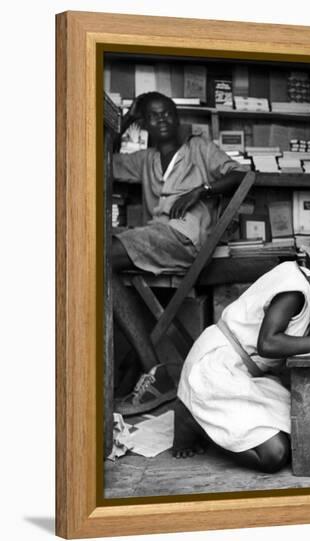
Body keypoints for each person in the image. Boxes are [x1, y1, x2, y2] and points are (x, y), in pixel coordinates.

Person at [173, 256, 310, 473]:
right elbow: (267, 343)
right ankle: (194, 421)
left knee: (304, 432)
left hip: (244, 375)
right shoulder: (295, 291)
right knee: (274, 455)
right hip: (215, 370)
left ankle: (207, 418)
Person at [112, 91, 247, 416]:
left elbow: (240, 174)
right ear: (144, 124)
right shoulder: (144, 160)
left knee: (97, 256)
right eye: (153, 116)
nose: (162, 120)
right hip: (155, 239)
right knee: (96, 259)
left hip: (183, 241)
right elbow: (103, 162)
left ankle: (154, 370)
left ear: (177, 116)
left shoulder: (198, 148)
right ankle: (150, 370)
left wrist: (202, 190)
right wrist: (124, 122)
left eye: (168, 113)